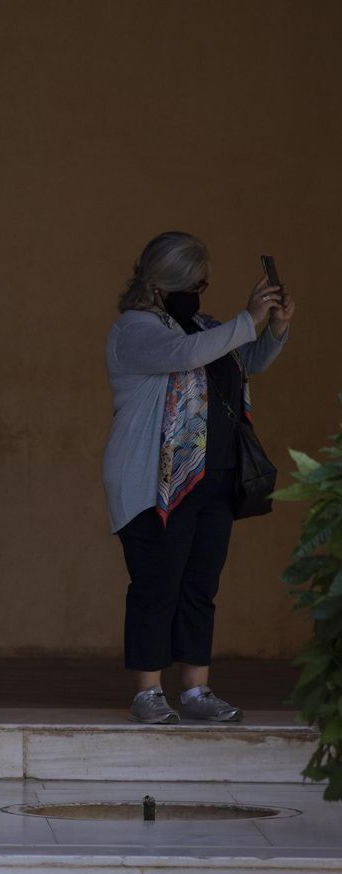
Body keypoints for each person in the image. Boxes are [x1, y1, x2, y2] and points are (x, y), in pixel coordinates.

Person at [102, 232, 294, 724]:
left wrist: (271, 329)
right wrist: (247, 318)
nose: (201, 290)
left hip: (214, 479)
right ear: (164, 283)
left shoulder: (207, 327)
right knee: (156, 584)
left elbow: (243, 360)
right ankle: (148, 692)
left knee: (199, 586)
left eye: (204, 282)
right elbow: (187, 355)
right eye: (193, 281)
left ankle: (195, 691)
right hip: (155, 484)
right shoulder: (136, 329)